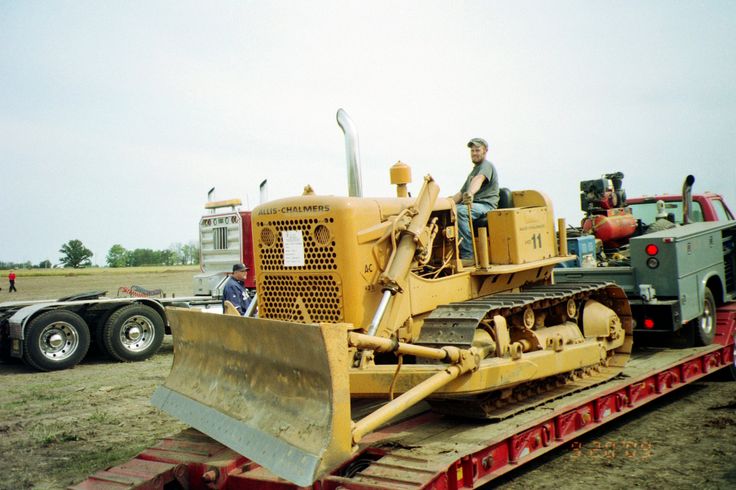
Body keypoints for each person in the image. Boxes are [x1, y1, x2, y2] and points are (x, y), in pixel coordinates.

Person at [451, 138, 500, 265]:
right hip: (475, 204)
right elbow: (460, 194)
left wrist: (470, 193)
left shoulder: (486, 166)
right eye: (472, 151)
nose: (474, 153)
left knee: (460, 211)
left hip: (486, 206)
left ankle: (469, 255)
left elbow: (478, 180)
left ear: (485, 151)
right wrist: (442, 204)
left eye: (477, 150)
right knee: (448, 211)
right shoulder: (473, 171)